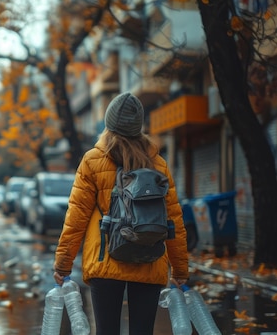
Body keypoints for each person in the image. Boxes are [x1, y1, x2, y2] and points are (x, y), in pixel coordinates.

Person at [52, 92, 189, 335]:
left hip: (106, 259)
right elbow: (174, 220)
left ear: (109, 123)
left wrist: (63, 264)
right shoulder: (158, 164)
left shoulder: (93, 160)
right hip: (151, 258)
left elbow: (76, 216)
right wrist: (180, 270)